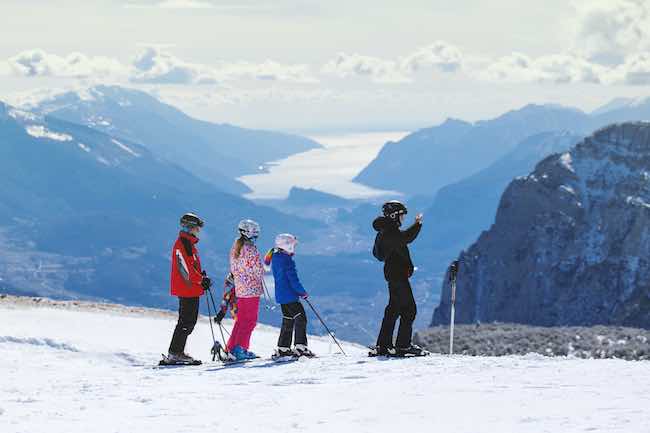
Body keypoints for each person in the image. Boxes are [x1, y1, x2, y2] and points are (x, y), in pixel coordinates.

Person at [370, 201, 426, 357]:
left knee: (393, 310)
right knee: (409, 310)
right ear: (394, 215)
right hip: (398, 277)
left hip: (393, 275)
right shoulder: (390, 232)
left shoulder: (385, 230)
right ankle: (403, 346)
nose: (403, 218)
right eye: (402, 215)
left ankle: (383, 345)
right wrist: (417, 224)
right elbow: (406, 238)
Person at [167, 212, 211, 364]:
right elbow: (185, 270)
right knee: (186, 321)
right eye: (197, 228)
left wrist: (201, 276)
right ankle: (175, 353)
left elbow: (191, 266)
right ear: (191, 228)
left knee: (188, 321)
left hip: (190, 288)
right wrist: (201, 279)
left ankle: (177, 352)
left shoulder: (188, 244)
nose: (198, 231)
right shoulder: (183, 244)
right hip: (186, 288)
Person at [265, 233, 315, 358]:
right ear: (287, 245)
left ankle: (283, 347)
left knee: (288, 319)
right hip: (290, 296)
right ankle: (300, 346)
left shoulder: (276, 257)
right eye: (292, 245)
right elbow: (293, 279)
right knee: (301, 318)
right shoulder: (287, 260)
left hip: (281, 296)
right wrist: (302, 292)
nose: (294, 247)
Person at [222, 219, 265, 362]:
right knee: (249, 321)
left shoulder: (236, 246)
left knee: (241, 320)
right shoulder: (250, 249)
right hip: (251, 289)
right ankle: (240, 349)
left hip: (240, 288)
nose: (256, 238)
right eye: (255, 235)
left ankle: (232, 348)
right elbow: (258, 270)